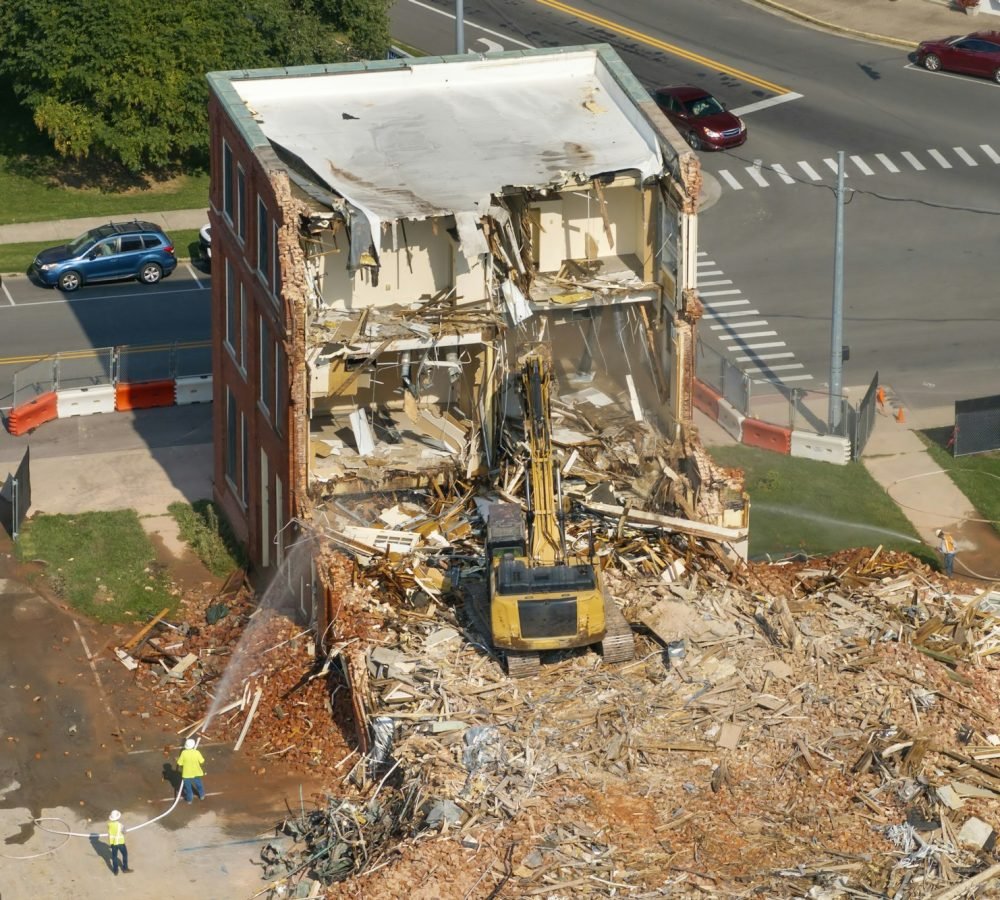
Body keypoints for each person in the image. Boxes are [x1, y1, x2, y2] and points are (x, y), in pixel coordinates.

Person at [176, 738, 206, 803]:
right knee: (199, 785)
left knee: (188, 788)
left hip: (186, 774)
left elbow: (179, 763)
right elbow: (202, 761)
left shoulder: (184, 753)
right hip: (196, 772)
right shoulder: (197, 752)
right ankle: (202, 795)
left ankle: (189, 800)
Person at [107, 810, 131, 875]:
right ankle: (125, 868)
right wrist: (124, 829)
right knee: (125, 855)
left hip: (113, 843)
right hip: (120, 843)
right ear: (118, 818)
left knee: (114, 857)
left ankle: (115, 871)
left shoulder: (109, 825)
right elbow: (124, 832)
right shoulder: (121, 825)